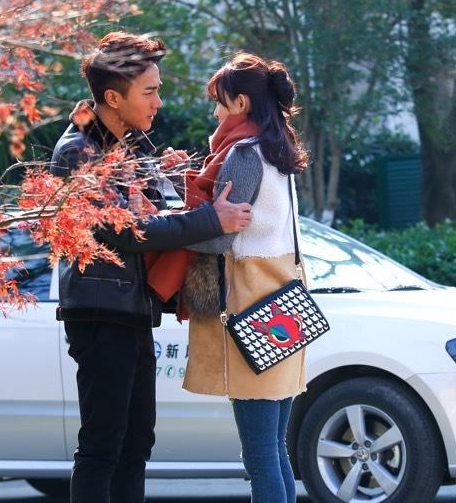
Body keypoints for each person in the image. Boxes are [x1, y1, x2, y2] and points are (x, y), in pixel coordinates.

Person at [49, 32, 252, 503]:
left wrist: (167, 177)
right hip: (99, 313)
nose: (159, 102)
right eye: (150, 91)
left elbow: (154, 213)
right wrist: (211, 220)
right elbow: (125, 231)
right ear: (113, 98)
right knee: (103, 445)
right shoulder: (79, 151)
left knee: (137, 442)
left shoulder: (131, 144)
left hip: (131, 309)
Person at [177, 52, 310, 503]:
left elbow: (219, 237)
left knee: (260, 455)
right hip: (284, 306)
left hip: (250, 307)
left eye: (220, 102)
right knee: (274, 449)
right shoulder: (278, 153)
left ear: (241, 104)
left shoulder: (244, 155)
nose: (216, 113)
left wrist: (172, 220)